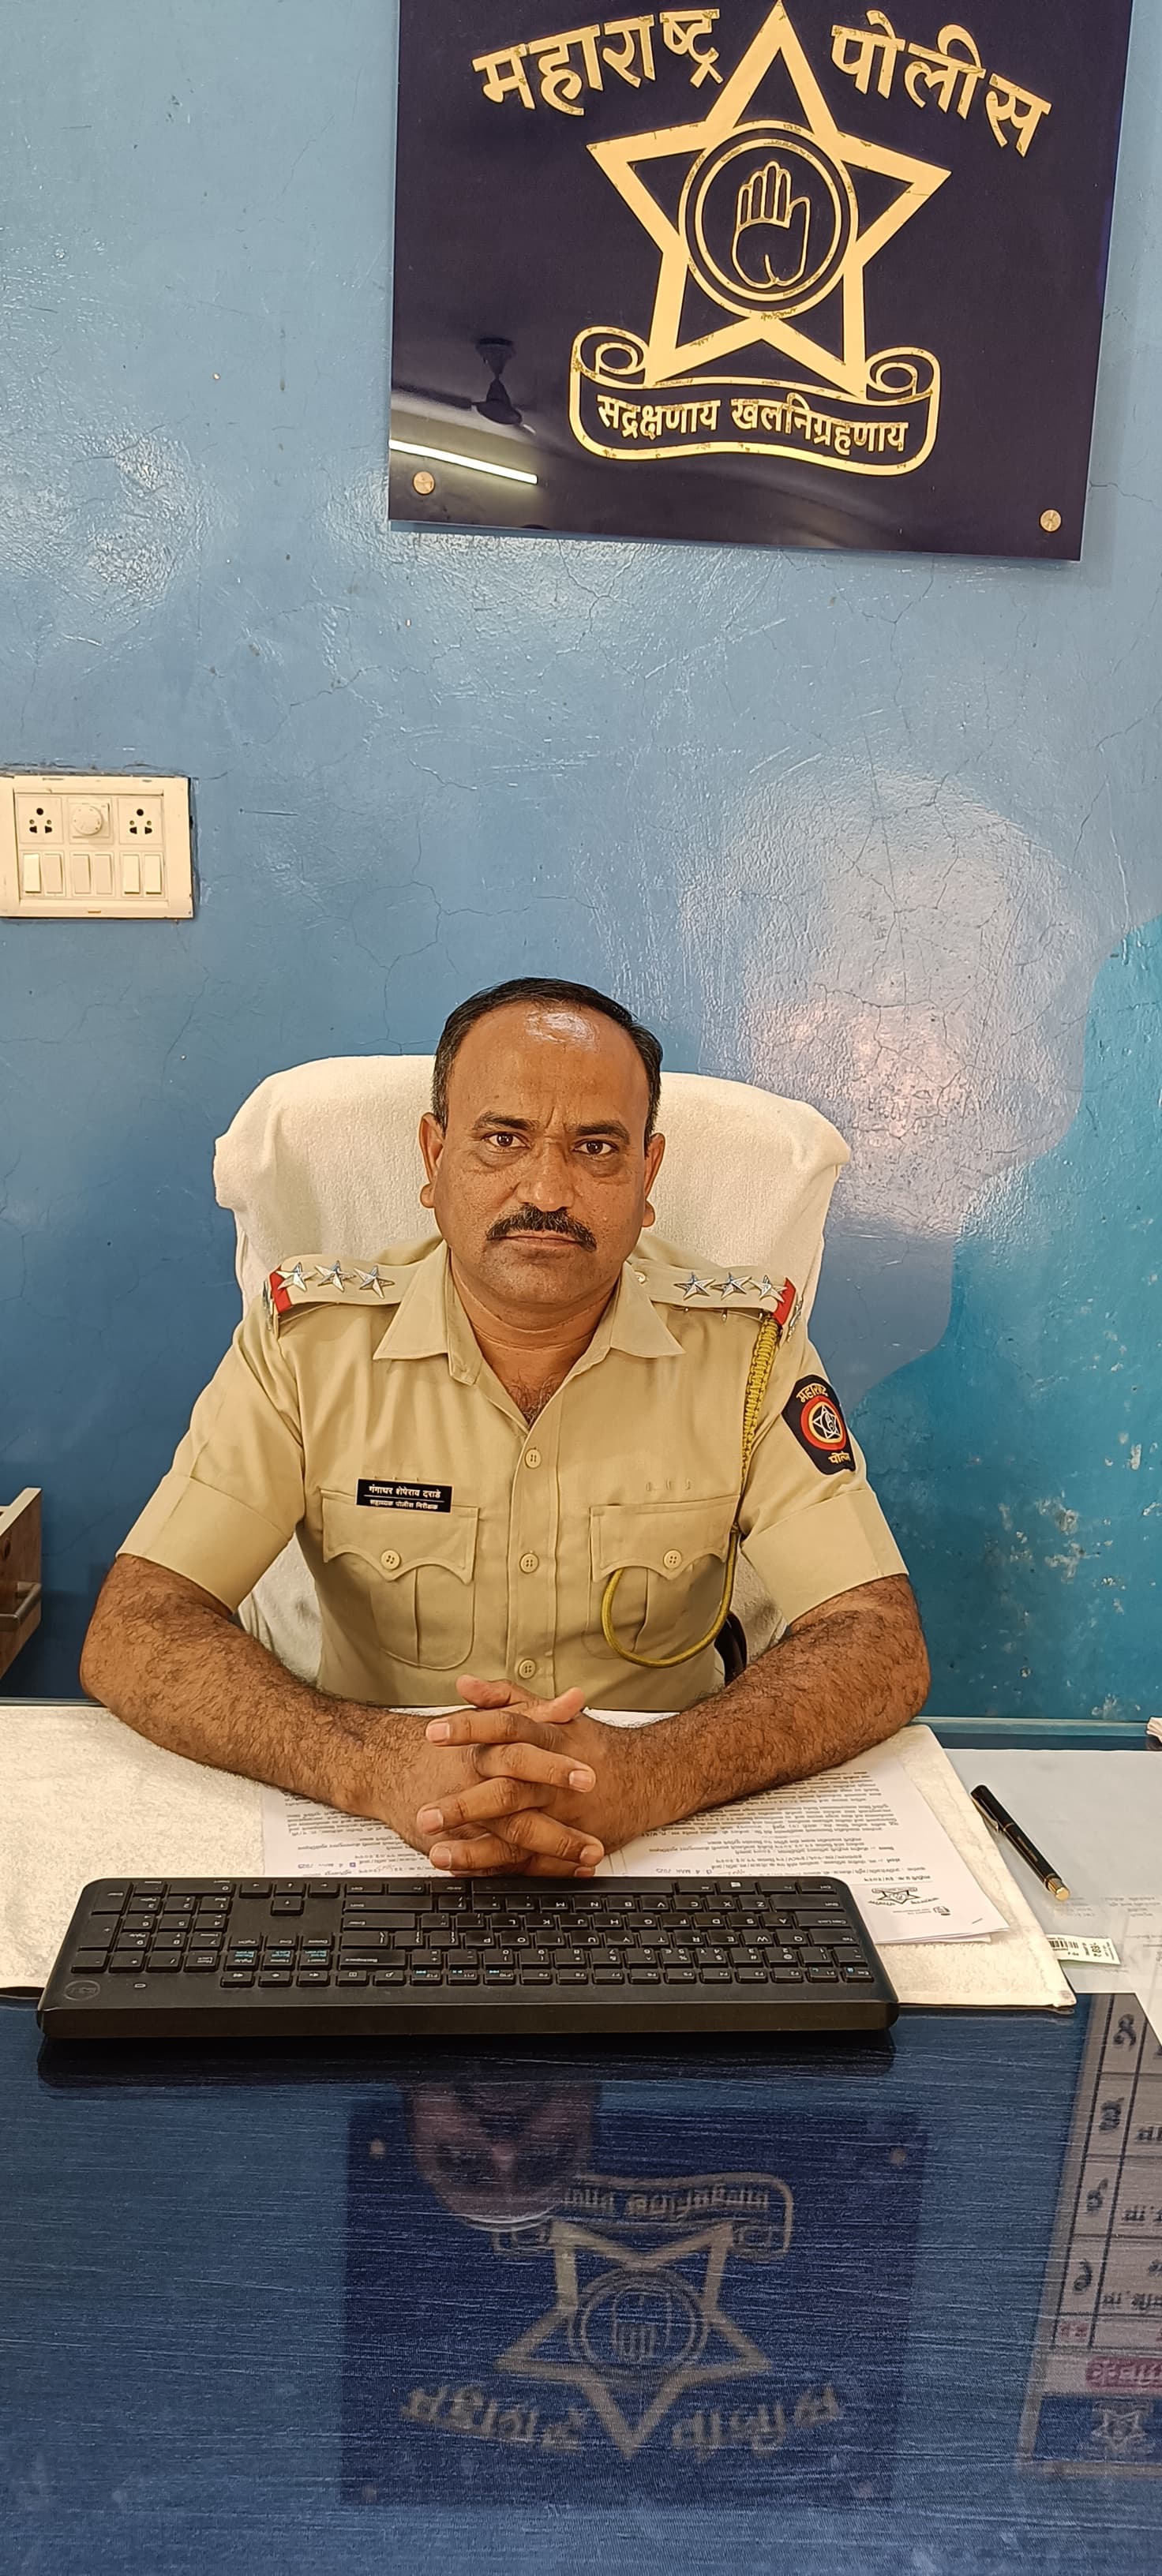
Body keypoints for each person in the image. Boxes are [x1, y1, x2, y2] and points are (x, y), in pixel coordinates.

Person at [81, 976, 929, 1876]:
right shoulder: (308, 1346)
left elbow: (877, 1640)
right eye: (502, 1139)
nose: (546, 1188)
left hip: (664, 1826)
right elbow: (138, 1627)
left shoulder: (749, 1353)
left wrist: (651, 1774)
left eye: (596, 1148)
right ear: (433, 1157)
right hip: (368, 1825)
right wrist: (373, 1766)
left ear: (646, 1178)